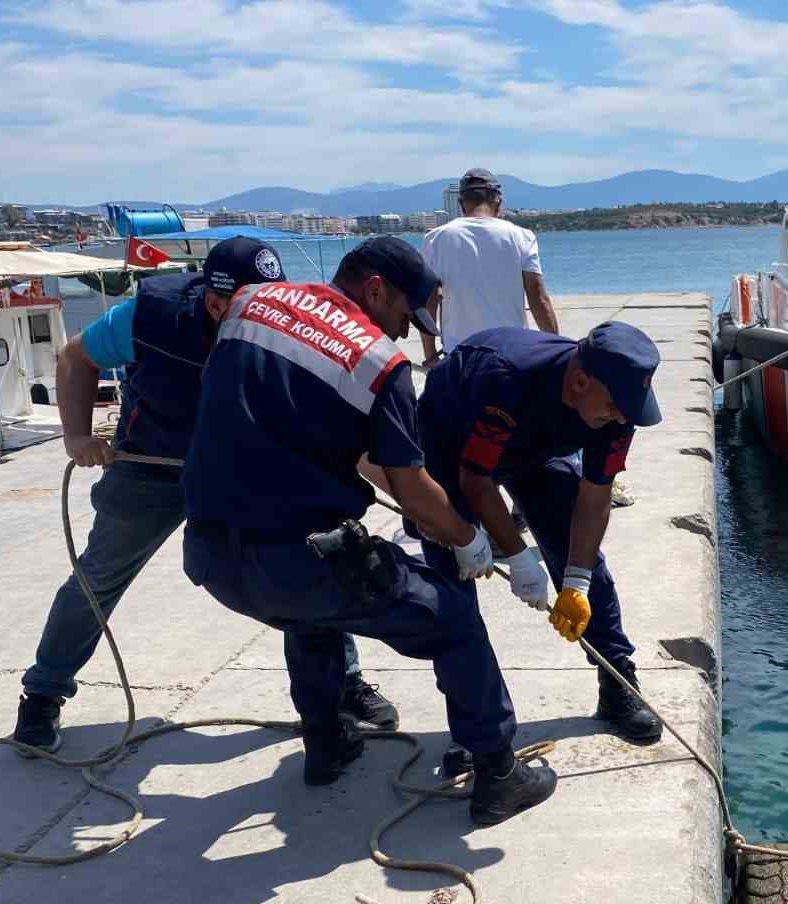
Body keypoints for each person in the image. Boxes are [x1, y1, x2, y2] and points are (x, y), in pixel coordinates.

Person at [180, 236, 555, 822]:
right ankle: (498, 774)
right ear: (376, 289)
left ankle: (327, 744)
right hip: (294, 566)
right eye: (407, 315)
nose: (408, 332)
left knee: (310, 614)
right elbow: (410, 487)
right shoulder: (380, 363)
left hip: (210, 558)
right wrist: (468, 539)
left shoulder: (250, 306)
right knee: (453, 619)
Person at [11, 238, 398, 752]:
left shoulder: (288, 319)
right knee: (100, 575)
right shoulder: (150, 314)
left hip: (245, 468)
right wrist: (78, 436)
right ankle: (43, 693)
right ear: (215, 303)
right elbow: (74, 357)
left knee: (308, 563)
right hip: (154, 465)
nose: (269, 315)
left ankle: (341, 684)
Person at [416, 323, 666, 755]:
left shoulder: (617, 408)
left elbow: (595, 498)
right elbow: (475, 480)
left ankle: (617, 679)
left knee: (582, 555)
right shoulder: (505, 378)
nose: (623, 418)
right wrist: (517, 556)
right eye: (614, 406)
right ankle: (477, 730)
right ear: (580, 380)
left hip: (533, 449)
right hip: (452, 445)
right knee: (451, 588)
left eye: (629, 408)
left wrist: (577, 582)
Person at [418, 167, 557, 367]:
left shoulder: (436, 239)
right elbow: (538, 297)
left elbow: (429, 301)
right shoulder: (522, 236)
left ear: (460, 204)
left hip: (459, 357)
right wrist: (556, 349)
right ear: (498, 201)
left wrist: (430, 356)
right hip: (511, 353)